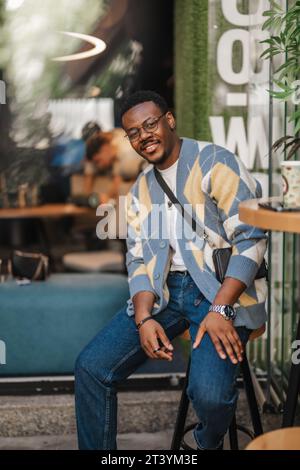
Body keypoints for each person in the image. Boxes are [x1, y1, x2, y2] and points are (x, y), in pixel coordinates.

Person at [75, 90, 268, 450]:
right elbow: (139, 260)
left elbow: (251, 240)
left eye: (150, 124)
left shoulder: (215, 162)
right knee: (91, 367)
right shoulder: (141, 191)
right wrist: (145, 318)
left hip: (221, 292)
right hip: (167, 294)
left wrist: (221, 307)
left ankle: (201, 445)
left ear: (170, 120)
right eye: (133, 132)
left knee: (209, 397)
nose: (144, 136)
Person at [83, 128, 144, 203]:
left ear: (104, 149)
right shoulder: (114, 147)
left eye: (98, 161)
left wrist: (106, 197)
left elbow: (119, 182)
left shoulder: (127, 154)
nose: (99, 166)